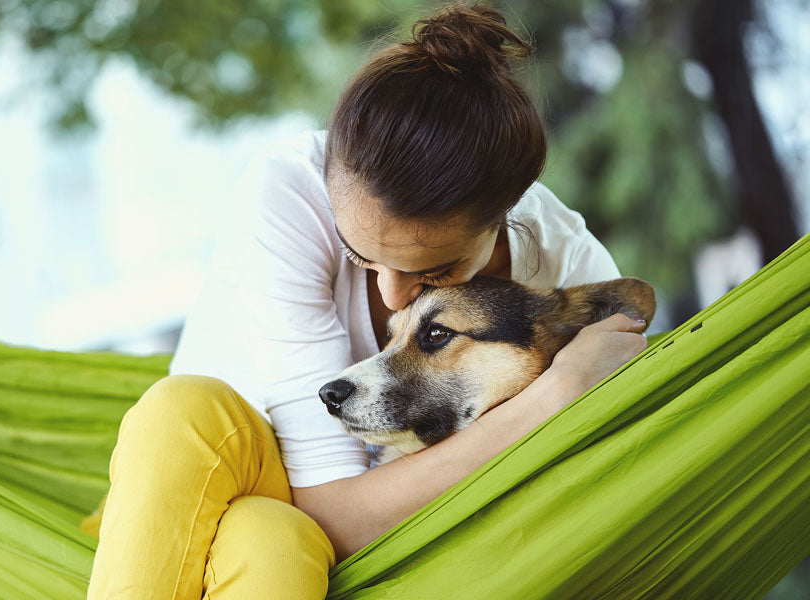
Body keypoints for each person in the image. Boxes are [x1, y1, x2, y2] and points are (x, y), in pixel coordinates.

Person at [83, 3, 649, 598]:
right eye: (360, 258)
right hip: (197, 480)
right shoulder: (288, 192)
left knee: (271, 541)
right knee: (182, 407)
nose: (391, 294)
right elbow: (337, 511)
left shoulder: (567, 266)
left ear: (506, 213)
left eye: (437, 269)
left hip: (303, 533)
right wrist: (552, 399)